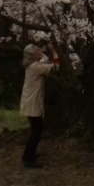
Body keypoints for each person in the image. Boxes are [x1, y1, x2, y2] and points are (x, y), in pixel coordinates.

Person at [20, 41, 60, 169]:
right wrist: (54, 52)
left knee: (36, 130)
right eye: (37, 51)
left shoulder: (33, 65)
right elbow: (55, 67)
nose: (40, 52)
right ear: (32, 55)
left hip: (29, 102)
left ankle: (28, 155)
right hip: (32, 103)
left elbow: (45, 62)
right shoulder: (35, 67)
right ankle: (29, 159)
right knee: (37, 131)